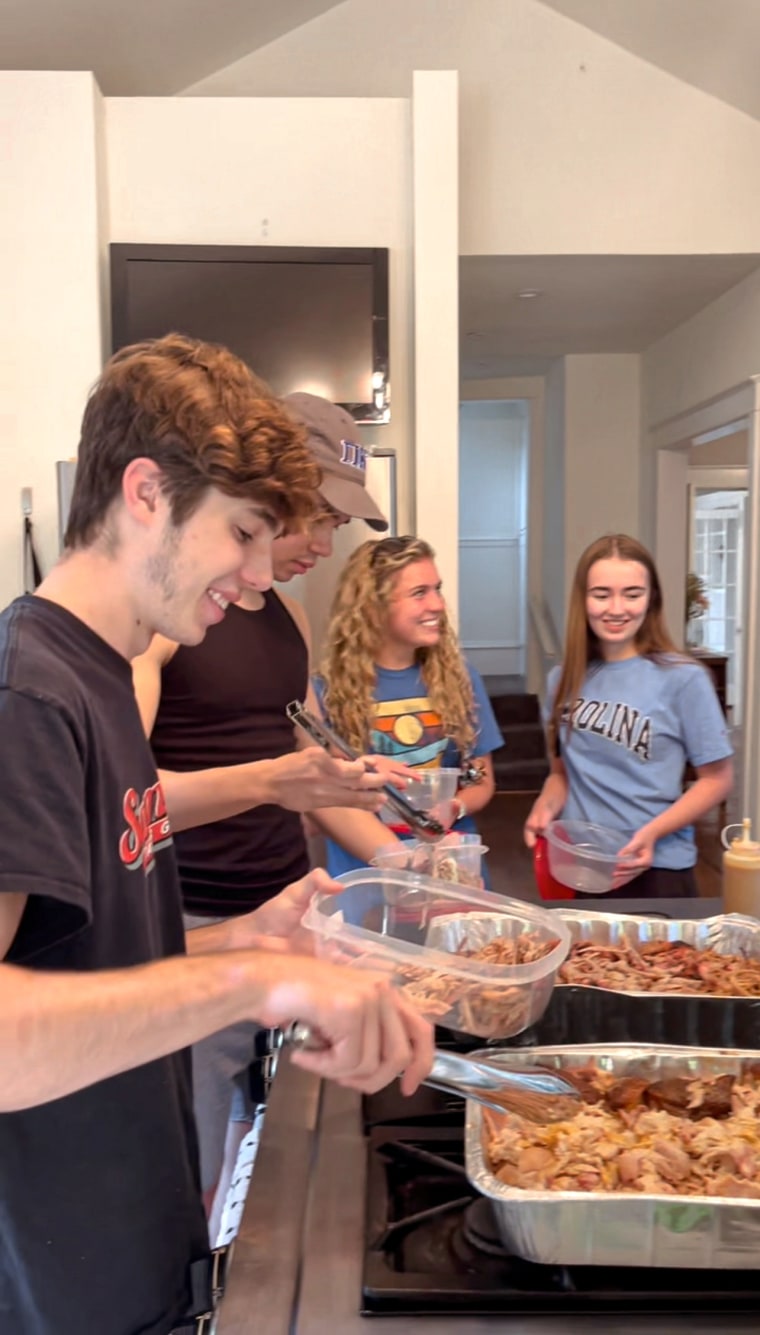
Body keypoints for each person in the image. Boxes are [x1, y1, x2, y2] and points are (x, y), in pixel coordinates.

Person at [0, 334, 433, 1335]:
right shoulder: (30, 691)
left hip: (135, 1232)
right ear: (144, 492)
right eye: (242, 533)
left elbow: (82, 964)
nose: (253, 573)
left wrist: (240, 942)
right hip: (59, 1274)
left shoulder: (104, 674)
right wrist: (253, 986)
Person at [131, 390, 409, 1228]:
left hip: (291, 912)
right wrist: (267, 781)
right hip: (198, 922)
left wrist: (404, 859)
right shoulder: (168, 619)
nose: (323, 546)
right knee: (195, 1168)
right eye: (313, 518)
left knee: (283, 1151)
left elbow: (307, 775)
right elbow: (120, 804)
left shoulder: (287, 615)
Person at [524, 533, 734, 899]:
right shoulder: (563, 680)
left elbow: (717, 780)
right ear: (583, 600)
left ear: (651, 600)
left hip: (659, 868)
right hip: (585, 867)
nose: (616, 608)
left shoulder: (684, 679)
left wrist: (653, 832)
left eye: (632, 594)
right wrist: (545, 805)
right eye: (601, 594)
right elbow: (561, 774)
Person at [315, 535, 503, 878]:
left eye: (437, 589)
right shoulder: (326, 692)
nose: (437, 605)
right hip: (368, 873)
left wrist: (455, 806)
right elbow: (324, 798)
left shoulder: (461, 679)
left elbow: (481, 779)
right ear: (374, 605)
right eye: (419, 593)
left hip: (451, 869)